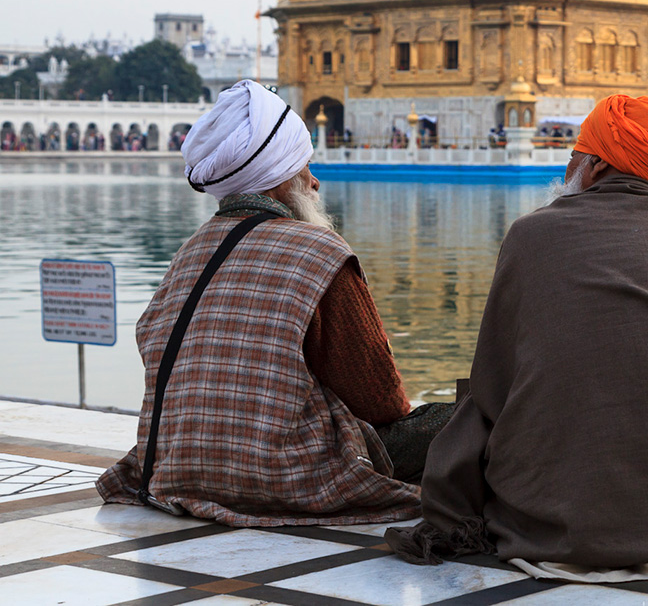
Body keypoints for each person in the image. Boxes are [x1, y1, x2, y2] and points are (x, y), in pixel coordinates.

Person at [388, 94, 648, 581]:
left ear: (595, 166)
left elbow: (494, 382)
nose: (567, 166)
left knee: (473, 410)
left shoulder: (532, 236)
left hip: (553, 518)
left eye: (574, 154)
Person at [98, 80, 428, 526]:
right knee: (468, 420)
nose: (314, 181)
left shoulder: (190, 250)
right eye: (304, 167)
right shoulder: (320, 252)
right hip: (283, 478)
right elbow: (380, 400)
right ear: (281, 183)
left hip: (173, 468)